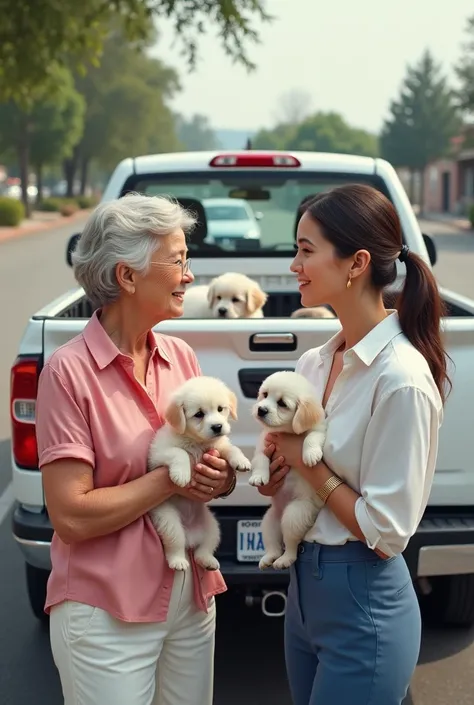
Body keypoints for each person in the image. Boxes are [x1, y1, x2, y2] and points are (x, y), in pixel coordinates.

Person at [35, 193, 236, 705]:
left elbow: (203, 470)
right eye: (178, 261)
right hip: (105, 614)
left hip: (190, 599)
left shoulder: (182, 356)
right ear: (127, 277)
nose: (190, 276)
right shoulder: (68, 372)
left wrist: (220, 479)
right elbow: (72, 516)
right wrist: (175, 476)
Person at [257, 184, 450, 705]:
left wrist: (307, 463)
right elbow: (295, 476)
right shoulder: (313, 363)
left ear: (356, 263)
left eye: (306, 249)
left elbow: (386, 531)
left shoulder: (400, 379)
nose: (294, 264)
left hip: (363, 600)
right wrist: (278, 474)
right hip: (302, 594)